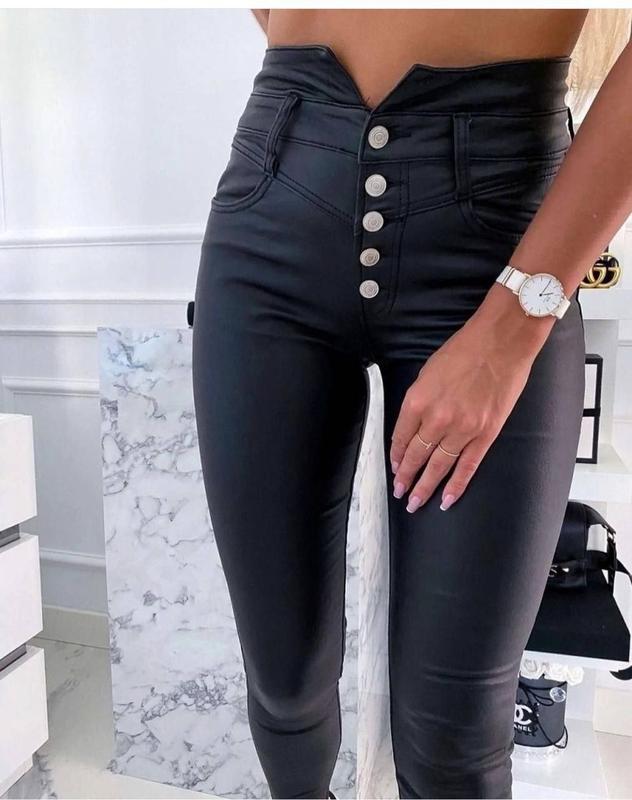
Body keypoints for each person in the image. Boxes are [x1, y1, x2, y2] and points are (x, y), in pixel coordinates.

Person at [191, 9, 632, 799]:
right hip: (276, 193)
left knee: (453, 734)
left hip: (497, 222)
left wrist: (512, 326)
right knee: (284, 683)